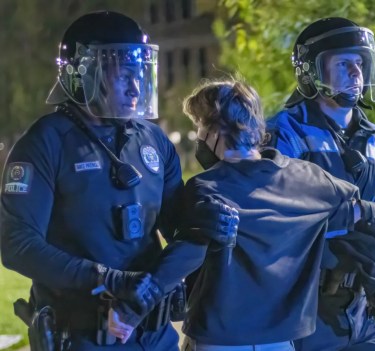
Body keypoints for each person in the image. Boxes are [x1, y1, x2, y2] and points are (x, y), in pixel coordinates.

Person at [107, 78, 375, 350]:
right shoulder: (310, 180)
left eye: (199, 127)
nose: (198, 137)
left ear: (214, 131)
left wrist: (130, 309)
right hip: (283, 341)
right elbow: (373, 217)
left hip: (219, 338)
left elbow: (187, 253)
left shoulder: (208, 187)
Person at [0, 10, 228, 351]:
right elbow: (16, 245)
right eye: (123, 74)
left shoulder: (153, 140)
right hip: (79, 336)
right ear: (84, 73)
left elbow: (179, 229)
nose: (136, 86)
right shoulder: (44, 142)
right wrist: (107, 279)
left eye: (139, 73)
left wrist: (206, 223)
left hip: (154, 333)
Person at [266, 17, 375, 351]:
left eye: (361, 64)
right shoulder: (284, 135)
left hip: (365, 314)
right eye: (344, 63)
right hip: (303, 316)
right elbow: (283, 225)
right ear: (311, 71)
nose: (357, 74)